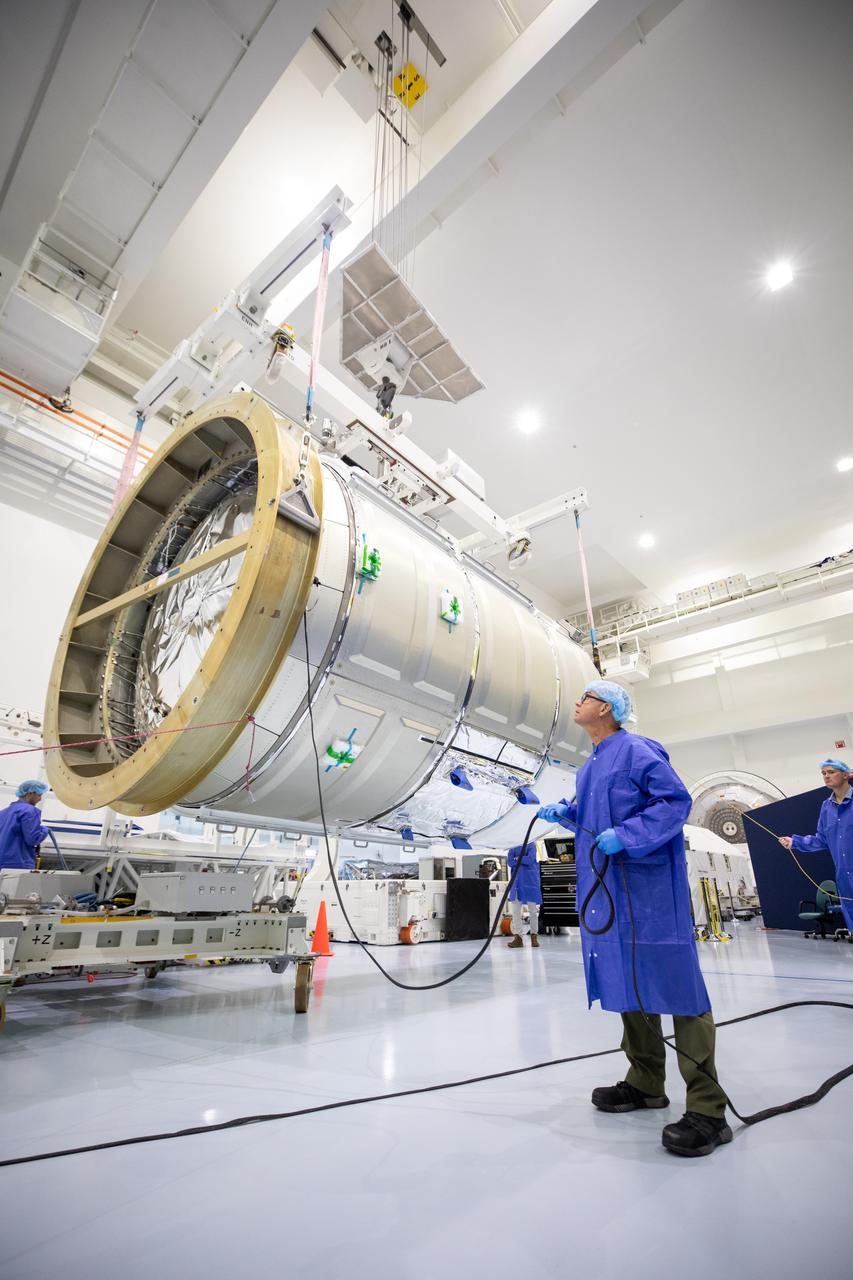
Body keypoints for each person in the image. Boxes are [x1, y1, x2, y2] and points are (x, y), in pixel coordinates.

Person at [537, 679, 730, 1158]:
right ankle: (646, 1083)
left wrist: (627, 835)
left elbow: (673, 802)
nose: (577, 704)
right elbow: (592, 815)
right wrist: (566, 813)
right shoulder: (591, 766)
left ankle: (708, 1109)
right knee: (629, 986)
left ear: (605, 708)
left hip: (649, 896)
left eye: (584, 697)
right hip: (612, 898)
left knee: (679, 990)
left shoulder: (638, 750)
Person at [778, 759, 853, 931]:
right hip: (844, 877)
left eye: (831, 772)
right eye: (823, 773)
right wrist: (794, 842)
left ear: (845, 774)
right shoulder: (826, 807)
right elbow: (821, 840)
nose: (826, 776)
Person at [0, 781, 50, 870]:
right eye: (39, 795)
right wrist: (45, 830)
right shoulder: (30, 811)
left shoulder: (4, 812)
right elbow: (33, 839)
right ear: (31, 793)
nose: (40, 799)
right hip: (18, 862)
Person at [506, 840, 542, 948]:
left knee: (532, 911)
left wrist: (517, 858)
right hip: (516, 883)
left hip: (529, 882)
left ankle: (534, 936)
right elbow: (509, 862)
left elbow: (530, 860)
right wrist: (522, 858)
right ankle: (518, 938)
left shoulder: (531, 844)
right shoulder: (512, 845)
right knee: (516, 911)